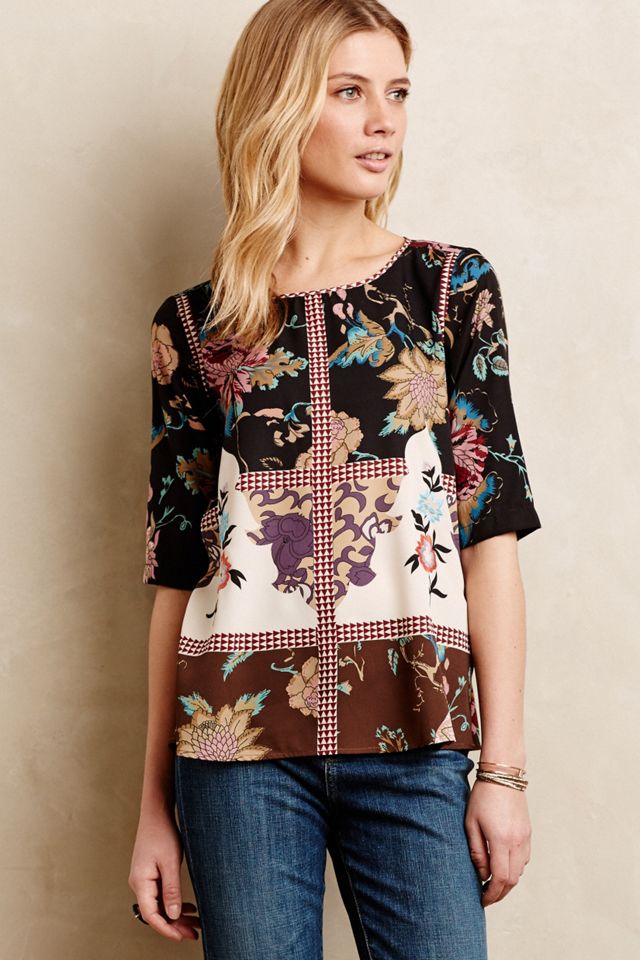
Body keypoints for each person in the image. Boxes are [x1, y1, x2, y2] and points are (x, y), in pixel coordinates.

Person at [128, 2, 542, 958]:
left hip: (416, 736)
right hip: (233, 752)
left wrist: (504, 771)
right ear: (277, 105)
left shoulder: (450, 290)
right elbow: (177, 575)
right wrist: (152, 806)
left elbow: (489, 540)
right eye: (349, 92)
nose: (383, 121)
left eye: (396, 92)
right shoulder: (192, 328)